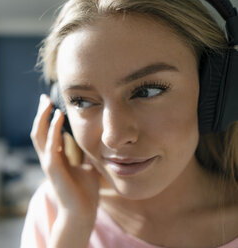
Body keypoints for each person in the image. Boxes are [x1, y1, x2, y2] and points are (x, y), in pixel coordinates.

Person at [21, 0, 238, 247]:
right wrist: (75, 225)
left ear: (217, 93)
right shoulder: (54, 210)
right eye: (81, 101)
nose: (112, 137)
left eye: (147, 91)